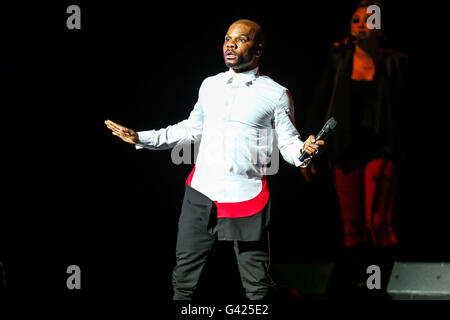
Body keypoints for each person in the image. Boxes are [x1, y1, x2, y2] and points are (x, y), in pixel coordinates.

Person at [105, 19, 324, 300]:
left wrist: (305, 150)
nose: (230, 44)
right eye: (226, 38)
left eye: (240, 39)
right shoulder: (210, 85)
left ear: (258, 51)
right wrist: (141, 138)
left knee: (256, 284)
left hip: (246, 196)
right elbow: (190, 129)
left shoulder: (276, 94)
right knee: (183, 281)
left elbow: (290, 145)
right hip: (201, 192)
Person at [300, 0, 408, 294]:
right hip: (346, 150)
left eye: (369, 20)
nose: (361, 25)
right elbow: (321, 103)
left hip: (381, 149)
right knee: (352, 227)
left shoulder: (395, 62)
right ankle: (361, 285)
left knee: (377, 220)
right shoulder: (339, 60)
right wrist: (309, 148)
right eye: (355, 20)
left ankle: (384, 282)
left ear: (381, 27)